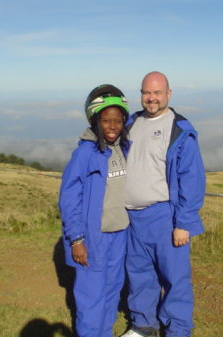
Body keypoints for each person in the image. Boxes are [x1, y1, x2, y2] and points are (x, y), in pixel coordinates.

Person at [121, 72, 206, 337]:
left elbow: (191, 179)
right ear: (141, 94)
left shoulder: (179, 130)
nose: (152, 98)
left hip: (164, 215)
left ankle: (177, 329)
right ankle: (144, 324)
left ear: (168, 94)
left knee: (174, 278)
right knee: (139, 273)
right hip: (131, 217)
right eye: (147, 92)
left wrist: (184, 223)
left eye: (158, 93)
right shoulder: (131, 122)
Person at [58, 84, 130, 337]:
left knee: (112, 289)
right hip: (93, 236)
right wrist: (76, 239)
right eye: (106, 120)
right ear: (95, 120)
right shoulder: (85, 153)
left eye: (118, 121)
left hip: (119, 234)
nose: (112, 126)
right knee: (91, 296)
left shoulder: (123, 148)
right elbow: (69, 198)